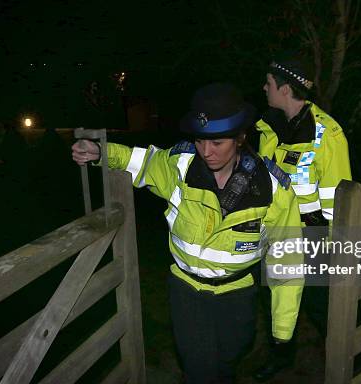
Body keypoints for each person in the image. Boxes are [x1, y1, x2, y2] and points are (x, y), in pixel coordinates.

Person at [72, 83, 304, 384]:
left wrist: (283, 327)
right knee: (199, 369)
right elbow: (141, 161)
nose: (206, 152)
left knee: (227, 363)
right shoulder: (179, 166)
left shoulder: (272, 188)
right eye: (199, 141)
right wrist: (101, 152)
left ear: (239, 137)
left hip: (238, 294)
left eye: (217, 142)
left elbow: (288, 258)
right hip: (187, 293)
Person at [252, 54, 352, 381]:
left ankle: (346, 360)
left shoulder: (328, 134)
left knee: (320, 306)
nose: (263, 88)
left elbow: (340, 201)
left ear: (284, 88)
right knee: (276, 300)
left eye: (268, 83)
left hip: (313, 242)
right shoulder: (268, 127)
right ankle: (281, 356)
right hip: (275, 234)